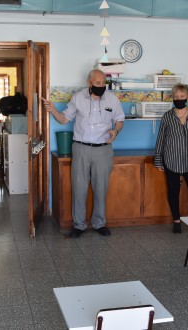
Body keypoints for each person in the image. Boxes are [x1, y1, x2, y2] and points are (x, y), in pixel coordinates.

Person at [42, 69, 124, 238]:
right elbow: (64, 119)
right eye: (98, 83)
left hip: (103, 149)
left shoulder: (112, 99)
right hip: (80, 148)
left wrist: (116, 131)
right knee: (79, 188)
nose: (101, 86)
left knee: (101, 188)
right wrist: (53, 110)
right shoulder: (78, 98)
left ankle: (99, 223)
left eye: (103, 83)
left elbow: (119, 120)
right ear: (89, 83)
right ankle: (78, 226)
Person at [154, 83, 188, 233]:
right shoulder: (167, 116)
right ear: (173, 98)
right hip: (171, 160)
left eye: (182, 96)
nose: (179, 99)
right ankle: (176, 221)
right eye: (176, 97)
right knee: (173, 191)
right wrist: (158, 160)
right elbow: (161, 139)